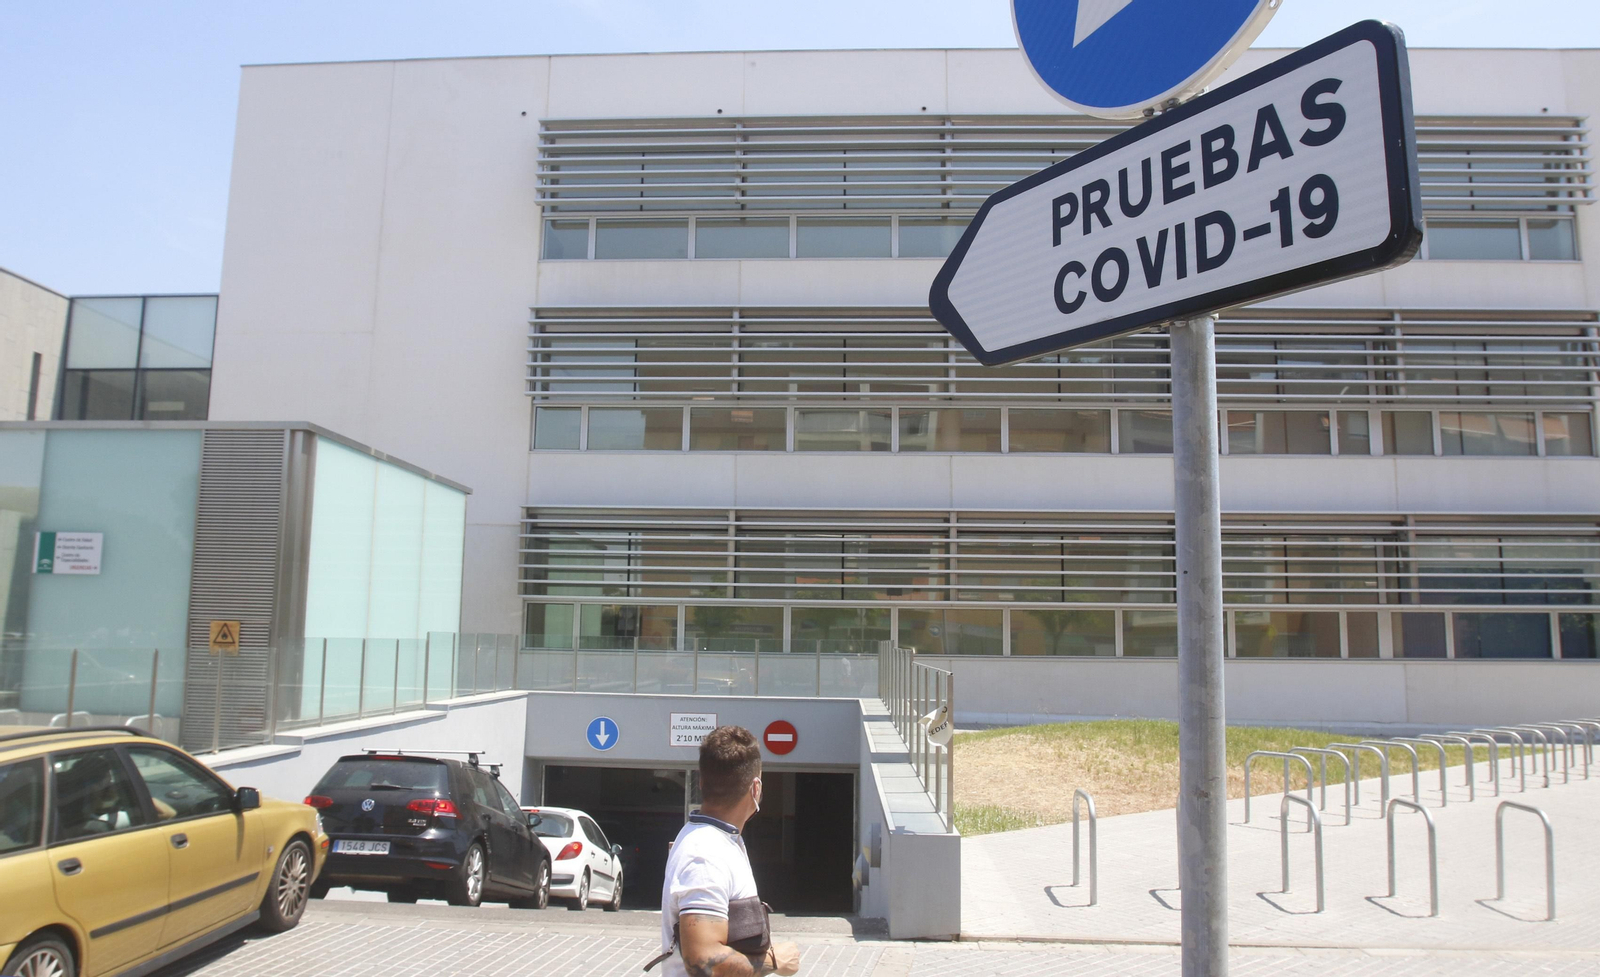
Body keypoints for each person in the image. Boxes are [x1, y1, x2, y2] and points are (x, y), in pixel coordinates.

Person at [655, 725, 800, 977]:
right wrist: (774, 961)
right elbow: (703, 960)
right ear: (755, 789)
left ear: (702, 782)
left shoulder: (719, 841)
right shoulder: (705, 853)